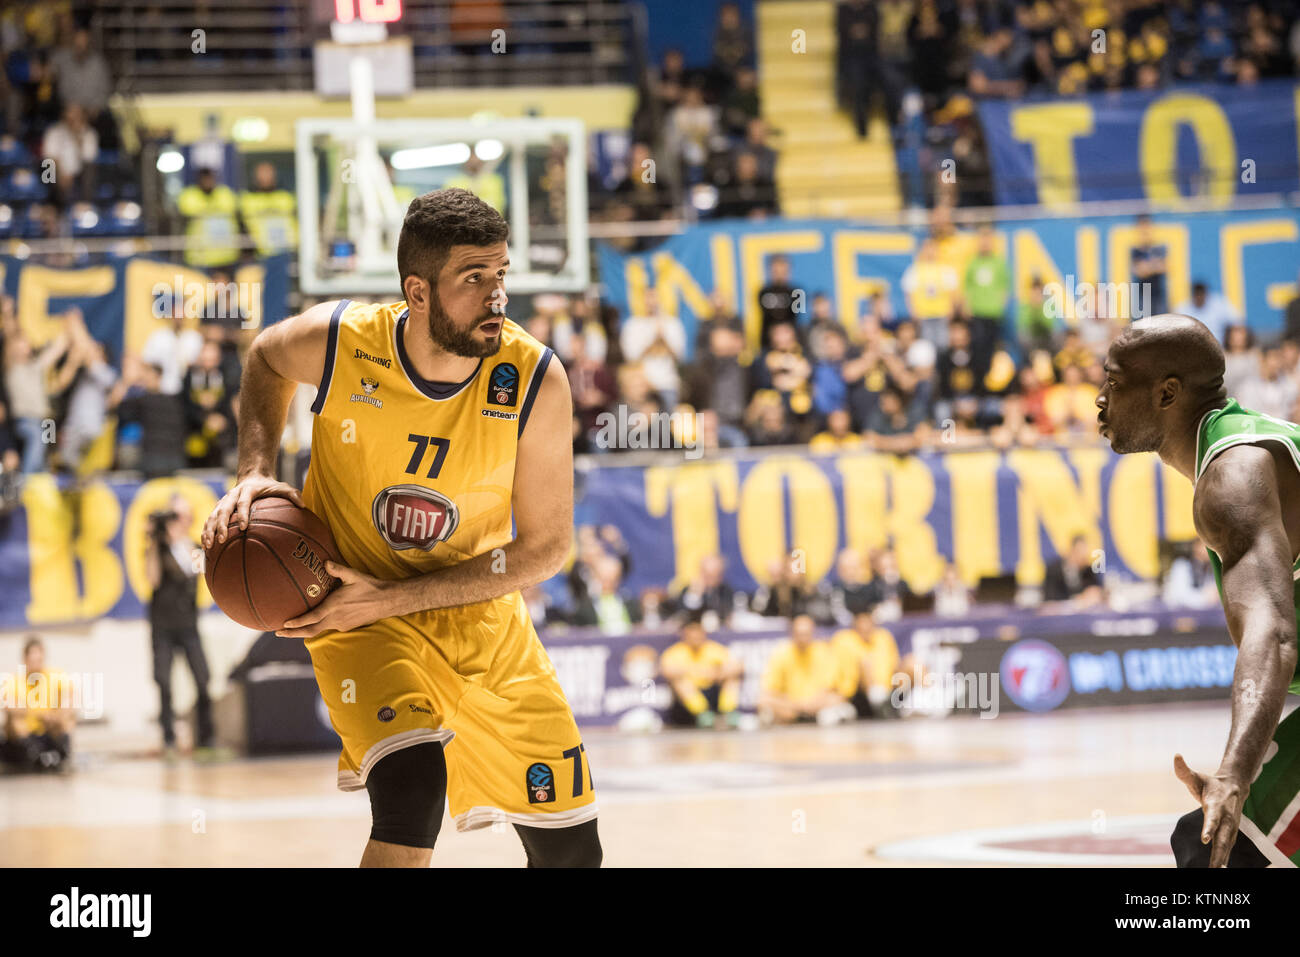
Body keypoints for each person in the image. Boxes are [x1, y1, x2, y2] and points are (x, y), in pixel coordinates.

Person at [201, 188, 600, 868]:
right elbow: (266, 356)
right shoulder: (343, 343)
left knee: (574, 855)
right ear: (417, 291)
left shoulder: (533, 379)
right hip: (357, 613)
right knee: (414, 792)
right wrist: (253, 470)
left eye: (500, 274)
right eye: (473, 279)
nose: (496, 295)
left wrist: (394, 596)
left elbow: (543, 549)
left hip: (480, 619)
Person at [1097, 312, 1300, 866]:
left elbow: (1275, 633)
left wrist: (1237, 772)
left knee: (1220, 849)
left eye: (1114, 384)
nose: (1099, 399)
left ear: (1167, 393)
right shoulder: (1240, 450)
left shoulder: (1231, 479)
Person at [146, 496, 214, 759]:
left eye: (182, 516)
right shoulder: (158, 550)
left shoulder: (194, 548)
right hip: (162, 625)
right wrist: (154, 540)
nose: (177, 522)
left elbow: (205, 574)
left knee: (202, 678)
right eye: (173, 516)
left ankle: (207, 737)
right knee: (163, 681)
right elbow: (152, 579)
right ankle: (168, 738)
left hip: (189, 625)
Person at [758, 614, 853, 725]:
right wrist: (797, 705)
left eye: (806, 634)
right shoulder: (781, 653)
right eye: (799, 634)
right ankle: (797, 717)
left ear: (813, 633)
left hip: (818, 704)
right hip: (790, 705)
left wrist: (811, 704)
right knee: (764, 702)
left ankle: (804, 717)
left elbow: (831, 687)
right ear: (792, 634)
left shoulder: (823, 651)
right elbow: (770, 690)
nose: (803, 639)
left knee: (838, 700)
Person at [0, 637, 75, 773]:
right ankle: (34, 755)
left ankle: (62, 753)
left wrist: (55, 716)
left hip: (49, 729)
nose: (35, 664)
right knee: (16, 721)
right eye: (32, 660)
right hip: (26, 733)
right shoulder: (15, 681)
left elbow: (69, 701)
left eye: (38, 660)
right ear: (25, 660)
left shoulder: (56, 677)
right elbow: (9, 705)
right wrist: (38, 714)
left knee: (68, 718)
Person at [659, 617, 743, 728]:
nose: (695, 636)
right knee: (681, 682)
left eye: (698, 632)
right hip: (691, 694)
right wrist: (700, 672)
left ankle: (729, 712)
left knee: (732, 679)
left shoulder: (714, 648)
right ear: (685, 635)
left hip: (713, 690)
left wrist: (718, 673)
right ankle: (703, 715)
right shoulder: (675, 652)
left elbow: (736, 666)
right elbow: (667, 671)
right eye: (692, 633)